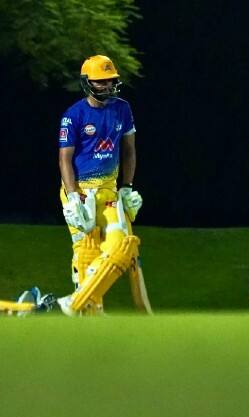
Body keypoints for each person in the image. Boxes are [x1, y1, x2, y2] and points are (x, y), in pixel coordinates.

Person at [56, 54, 144, 315]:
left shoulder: (122, 109)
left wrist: (126, 187)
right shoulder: (73, 115)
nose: (107, 86)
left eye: (110, 81)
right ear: (87, 83)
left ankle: (76, 303)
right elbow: (64, 159)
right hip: (80, 192)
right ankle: (91, 312)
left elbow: (129, 152)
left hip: (108, 192)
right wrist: (72, 197)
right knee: (86, 252)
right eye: (101, 82)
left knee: (121, 245)